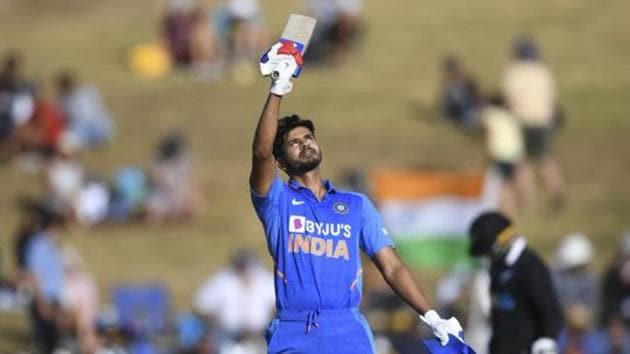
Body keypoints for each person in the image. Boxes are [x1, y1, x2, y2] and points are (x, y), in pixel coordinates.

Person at [249, 43, 463, 353]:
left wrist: (430, 316)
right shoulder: (276, 201)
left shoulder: (356, 206)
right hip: (295, 330)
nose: (305, 144)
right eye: (294, 143)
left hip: (346, 328)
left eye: (308, 138)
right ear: (282, 162)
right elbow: (260, 152)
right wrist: (277, 89)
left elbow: (392, 267)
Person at [468, 211, 564, 354]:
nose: (487, 257)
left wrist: (547, 339)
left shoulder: (530, 266)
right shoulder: (497, 268)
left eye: (488, 252)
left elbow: (550, 310)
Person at [502, 36, 564, 209]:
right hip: (544, 121)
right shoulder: (542, 71)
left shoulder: (513, 72)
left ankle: (529, 202)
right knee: (546, 158)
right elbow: (552, 100)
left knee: (522, 163)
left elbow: (509, 100)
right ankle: (556, 193)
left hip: (522, 121)